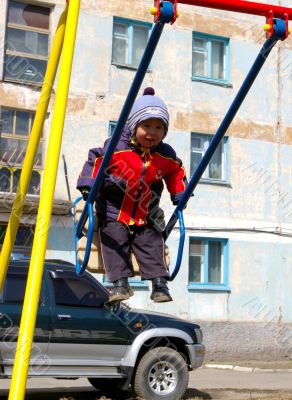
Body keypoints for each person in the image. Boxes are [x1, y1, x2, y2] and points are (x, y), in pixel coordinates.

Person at [77, 87, 188, 303]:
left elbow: (176, 171)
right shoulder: (117, 148)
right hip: (114, 210)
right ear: (133, 125)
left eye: (159, 127)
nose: (152, 132)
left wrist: (180, 192)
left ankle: (159, 284)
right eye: (146, 125)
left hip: (145, 213)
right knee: (114, 239)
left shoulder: (165, 155)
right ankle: (120, 284)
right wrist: (89, 184)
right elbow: (96, 159)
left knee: (152, 240)